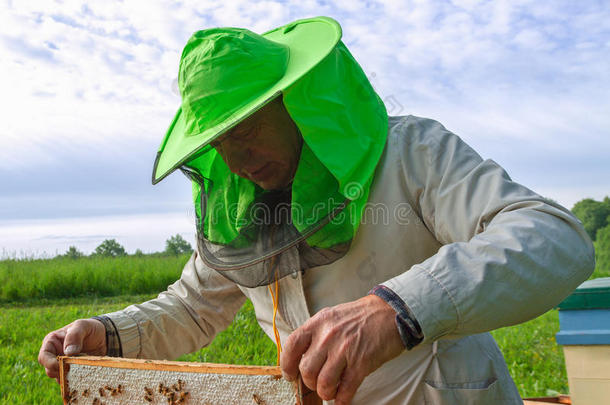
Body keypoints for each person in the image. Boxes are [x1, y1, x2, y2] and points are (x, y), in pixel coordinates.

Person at [39, 16, 595, 405]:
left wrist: (395, 310)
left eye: (247, 130)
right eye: (218, 145)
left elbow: (553, 237)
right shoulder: (240, 206)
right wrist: (110, 336)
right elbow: (192, 308)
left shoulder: (413, 152)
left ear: (298, 101)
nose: (235, 162)